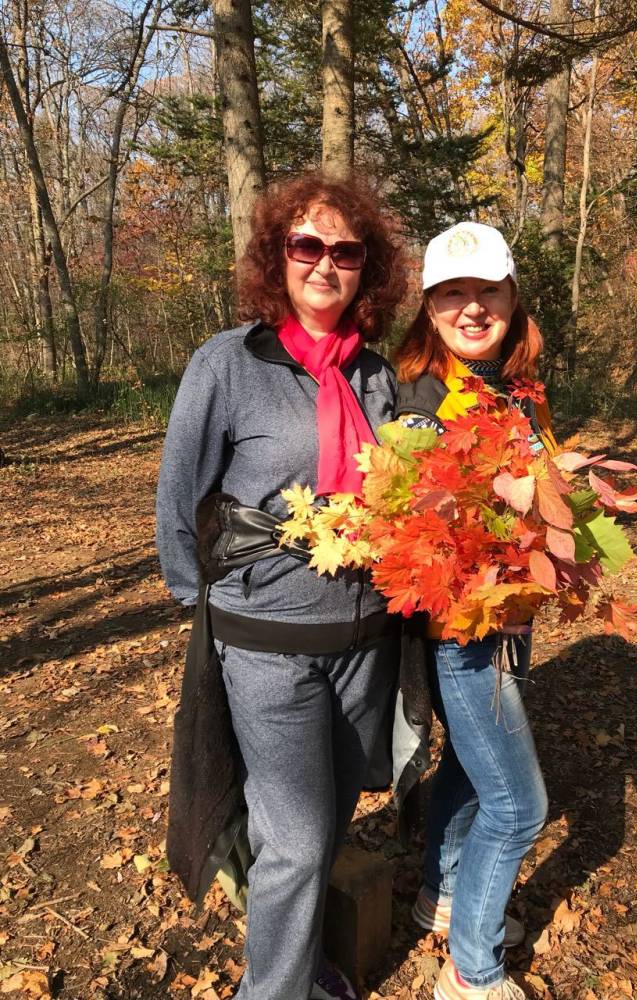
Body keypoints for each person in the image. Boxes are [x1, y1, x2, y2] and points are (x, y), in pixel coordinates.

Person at [156, 173, 406, 1000]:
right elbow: (180, 495)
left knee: (325, 820)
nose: (325, 263)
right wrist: (202, 606)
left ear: (367, 269)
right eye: (307, 245)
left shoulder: (376, 377)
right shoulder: (228, 364)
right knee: (296, 840)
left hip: (362, 643)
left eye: (346, 251)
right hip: (266, 642)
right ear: (278, 256)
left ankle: (302, 967)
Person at [393, 222, 553, 1000]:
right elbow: (412, 518)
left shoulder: (517, 387)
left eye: (486, 289)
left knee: (466, 762)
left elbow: (543, 490)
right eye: (451, 293)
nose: (471, 307)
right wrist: (500, 503)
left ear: (512, 296)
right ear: (429, 308)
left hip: (509, 621)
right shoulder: (423, 398)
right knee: (519, 808)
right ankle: (472, 971)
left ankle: (446, 894)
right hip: (460, 634)